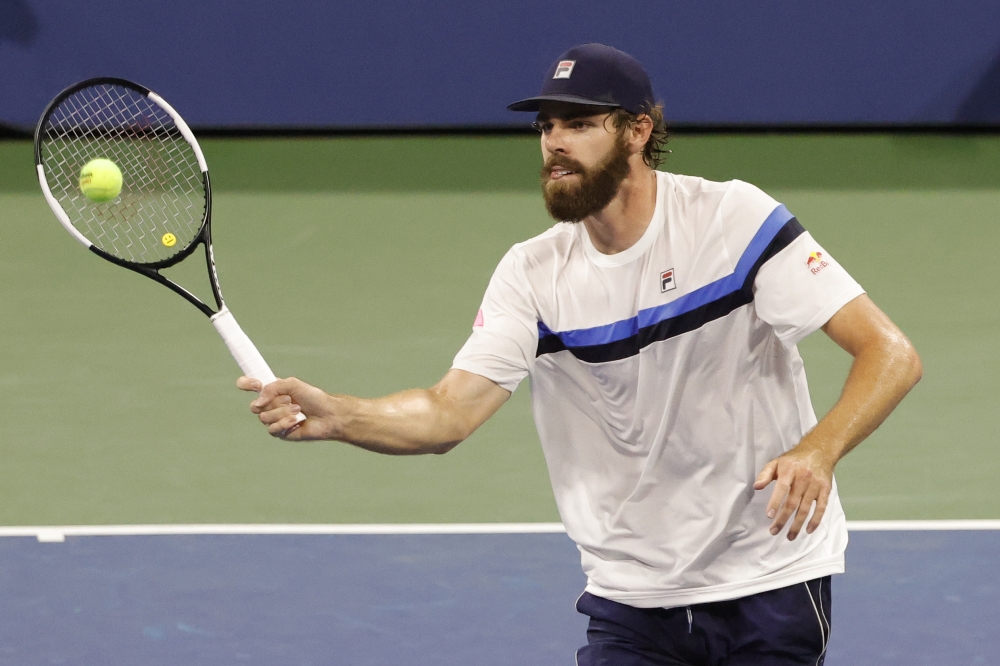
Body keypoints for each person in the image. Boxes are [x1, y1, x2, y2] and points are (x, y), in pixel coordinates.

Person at [238, 43, 922, 665]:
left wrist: (818, 450)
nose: (554, 144)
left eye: (578, 123)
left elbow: (889, 354)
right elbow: (448, 413)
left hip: (767, 582)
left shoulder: (733, 222)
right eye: (545, 126)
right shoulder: (532, 274)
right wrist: (341, 417)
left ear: (638, 130)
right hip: (631, 596)